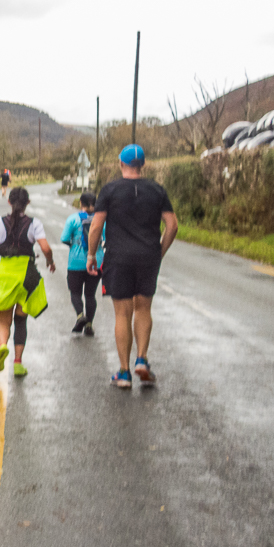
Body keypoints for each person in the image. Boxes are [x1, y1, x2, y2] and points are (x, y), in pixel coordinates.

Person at [86, 144, 179, 389]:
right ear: (144, 165)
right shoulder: (158, 190)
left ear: (120, 164)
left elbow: (95, 227)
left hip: (118, 258)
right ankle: (142, 359)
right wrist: (160, 250)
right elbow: (172, 226)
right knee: (144, 309)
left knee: (122, 313)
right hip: (148, 256)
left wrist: (91, 256)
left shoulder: (110, 190)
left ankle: (124, 373)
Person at [0, 187, 56, 377]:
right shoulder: (34, 223)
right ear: (27, 203)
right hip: (26, 277)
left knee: (4, 321)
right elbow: (45, 247)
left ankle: (3, 346)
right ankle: (18, 362)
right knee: (20, 321)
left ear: (9, 202)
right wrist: (50, 261)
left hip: (6, 275)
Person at [60, 192, 104, 335]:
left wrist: (75, 245)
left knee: (75, 293)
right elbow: (105, 239)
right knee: (90, 295)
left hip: (76, 262)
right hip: (96, 261)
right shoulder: (102, 221)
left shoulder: (73, 219)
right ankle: (89, 324)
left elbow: (65, 238)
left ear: (81, 203)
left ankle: (80, 315)